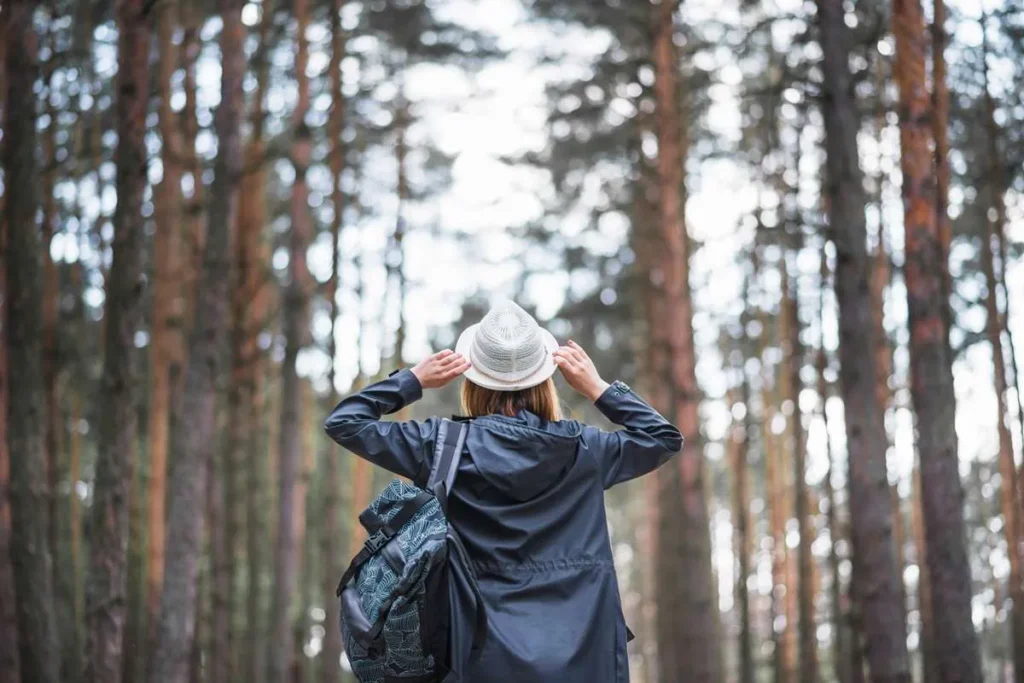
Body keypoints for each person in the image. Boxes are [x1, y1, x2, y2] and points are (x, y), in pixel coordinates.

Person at [325, 300, 682, 683]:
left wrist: (413, 380)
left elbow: (346, 423)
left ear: (473, 380)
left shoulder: (440, 446)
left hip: (473, 661)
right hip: (582, 661)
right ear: (546, 380)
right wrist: (597, 387)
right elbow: (662, 438)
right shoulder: (586, 451)